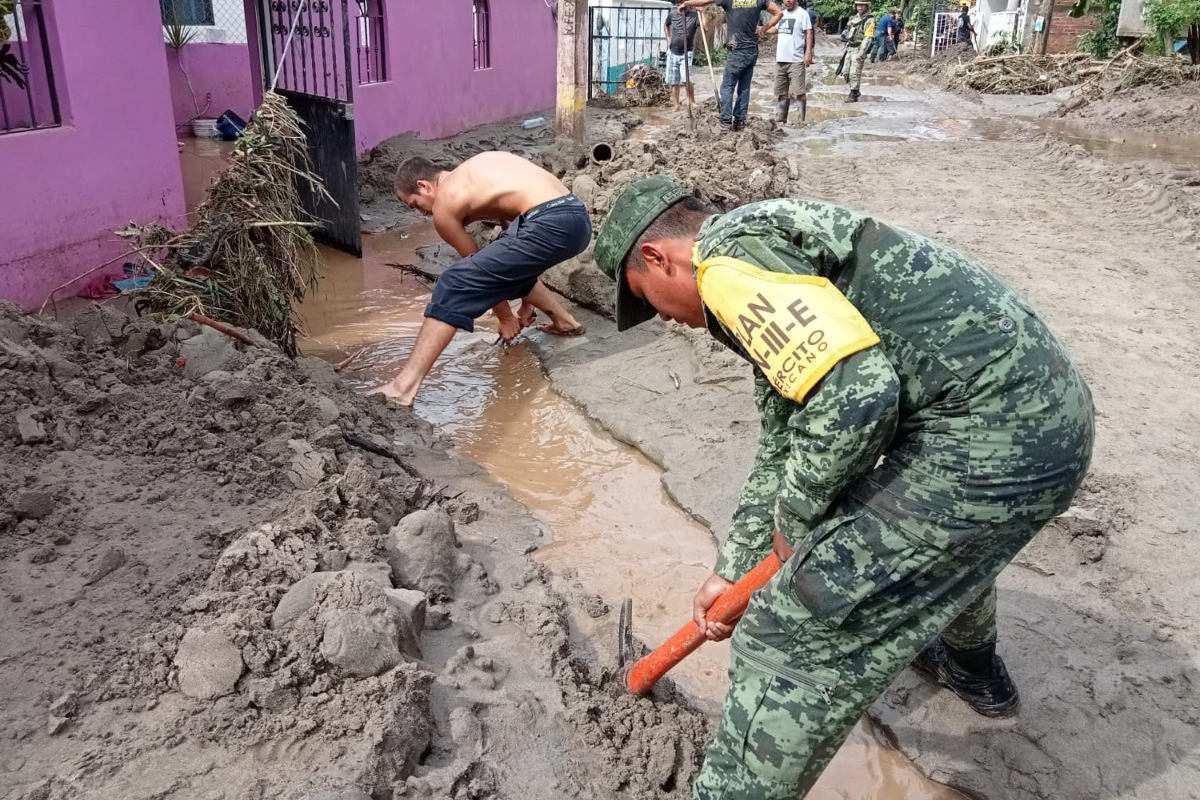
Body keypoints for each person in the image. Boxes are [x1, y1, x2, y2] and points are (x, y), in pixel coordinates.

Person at [592, 176, 1094, 799]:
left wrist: (792, 540)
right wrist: (733, 568)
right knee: (932, 545)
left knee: (789, 629)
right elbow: (784, 439)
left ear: (657, 257)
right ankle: (973, 674)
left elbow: (855, 397)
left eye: (652, 301)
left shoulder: (725, 260)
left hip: (992, 439)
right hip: (1047, 422)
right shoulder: (772, 254)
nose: (671, 320)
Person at [374, 153, 589, 405]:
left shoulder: (444, 205)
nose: (421, 213)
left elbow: (478, 274)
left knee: (453, 283)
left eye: (414, 204)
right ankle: (565, 322)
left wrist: (506, 318)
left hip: (549, 223)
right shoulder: (479, 170)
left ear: (423, 185)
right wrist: (527, 304)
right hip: (576, 217)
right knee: (499, 258)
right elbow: (512, 247)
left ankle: (402, 388)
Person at [684, 0, 783, 130]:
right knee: (744, 87)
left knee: (727, 86)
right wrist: (764, 28)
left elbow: (704, 1)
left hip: (738, 50)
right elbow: (779, 13)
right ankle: (739, 121)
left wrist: (686, 3)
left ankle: (726, 121)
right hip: (752, 50)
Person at [765, 0, 813, 124]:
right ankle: (781, 119)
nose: (788, 1)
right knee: (781, 92)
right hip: (781, 59)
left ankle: (801, 119)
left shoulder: (803, 14)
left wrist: (808, 53)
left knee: (799, 92)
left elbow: (809, 32)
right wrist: (761, 30)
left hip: (796, 59)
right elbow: (775, 29)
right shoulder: (781, 14)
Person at [664, 0, 701, 112]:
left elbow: (705, 28)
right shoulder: (672, 15)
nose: (679, 5)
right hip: (672, 52)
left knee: (686, 79)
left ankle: (692, 102)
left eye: (682, 2)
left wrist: (702, 12)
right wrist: (668, 39)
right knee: (674, 81)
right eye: (678, 3)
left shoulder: (694, 15)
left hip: (686, 52)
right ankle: (676, 105)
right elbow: (666, 25)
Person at [841, 0, 875, 102]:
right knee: (845, 72)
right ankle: (854, 88)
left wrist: (861, 53)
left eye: (862, 5)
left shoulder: (870, 20)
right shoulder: (854, 18)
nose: (860, 7)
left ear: (867, 6)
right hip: (850, 48)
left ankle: (854, 92)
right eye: (858, 5)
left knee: (854, 72)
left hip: (859, 48)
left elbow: (868, 38)